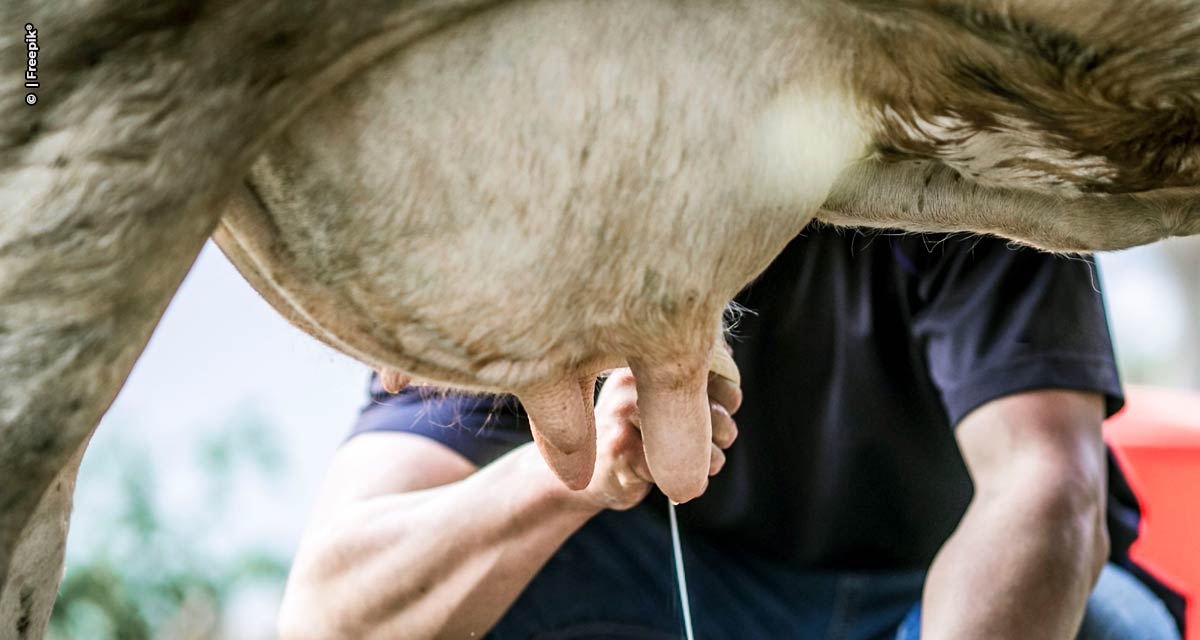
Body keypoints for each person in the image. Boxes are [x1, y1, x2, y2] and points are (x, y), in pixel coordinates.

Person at [278, 225, 1183, 639]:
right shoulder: (525, 245)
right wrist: (572, 476)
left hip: (933, 597)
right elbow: (330, 615)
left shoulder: (961, 174)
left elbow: (1050, 492)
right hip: (691, 601)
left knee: (1102, 623)